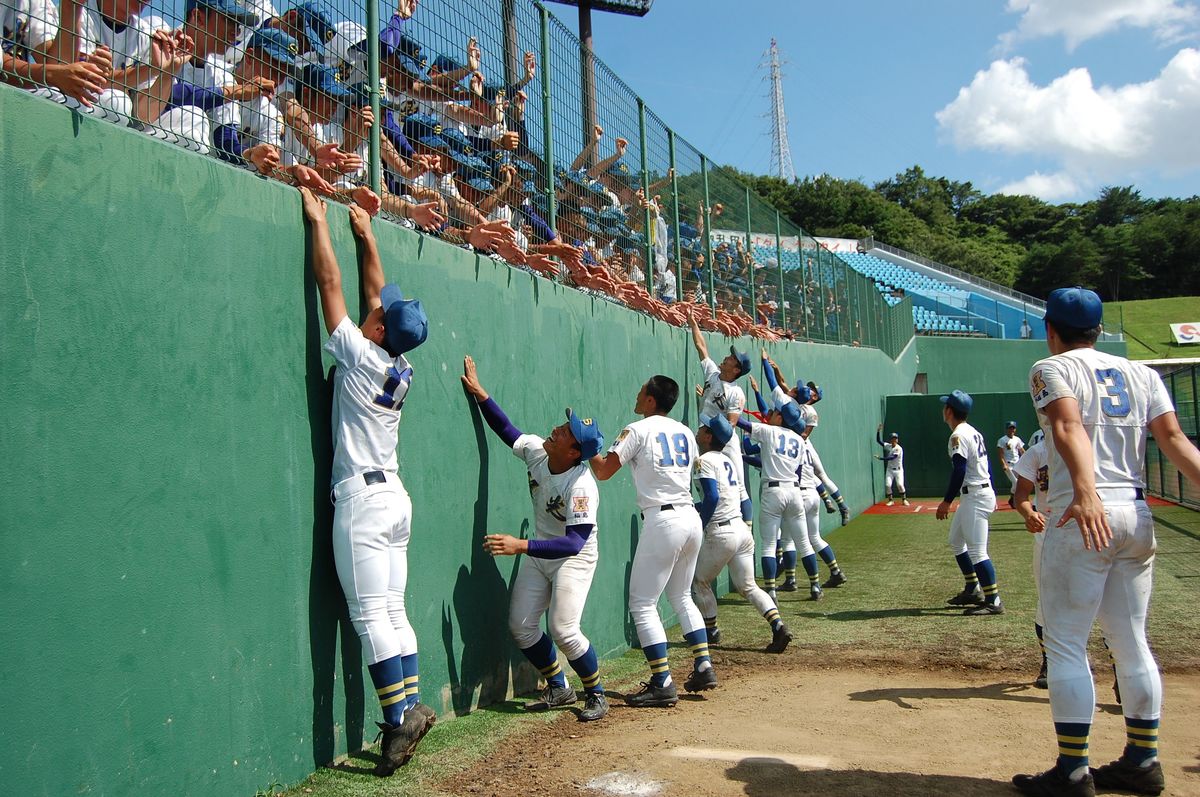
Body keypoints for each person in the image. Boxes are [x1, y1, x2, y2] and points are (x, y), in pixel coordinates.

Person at [1013, 287, 1200, 797]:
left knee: (1065, 643)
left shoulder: (1050, 367)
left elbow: (1067, 424)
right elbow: (1175, 440)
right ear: (1097, 330)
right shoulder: (1142, 373)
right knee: (1132, 641)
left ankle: (1073, 772)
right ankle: (1142, 761)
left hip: (1083, 512)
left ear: (1051, 330)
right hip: (1135, 513)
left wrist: (1087, 491)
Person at [298, 187, 435, 776]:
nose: (375, 307)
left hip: (362, 498)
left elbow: (330, 285)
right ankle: (411, 704)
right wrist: (368, 235)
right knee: (394, 610)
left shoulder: (360, 354)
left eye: (379, 313)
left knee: (369, 617)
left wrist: (318, 221)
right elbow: (377, 299)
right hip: (394, 498)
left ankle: (397, 720)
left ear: (378, 330)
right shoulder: (400, 363)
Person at [459, 356, 610, 722]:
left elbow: (574, 543)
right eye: (564, 424)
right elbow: (507, 429)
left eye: (566, 431)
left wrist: (520, 546)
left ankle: (596, 693)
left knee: (563, 629)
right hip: (540, 549)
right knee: (522, 626)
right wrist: (481, 394)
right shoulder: (539, 452)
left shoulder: (581, 486)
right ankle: (559, 685)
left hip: (573, 559)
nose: (557, 428)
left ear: (574, 453)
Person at [590, 376, 716, 707]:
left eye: (642, 390)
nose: (637, 393)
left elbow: (602, 471)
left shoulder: (637, 429)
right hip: (690, 517)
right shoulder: (686, 432)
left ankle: (662, 682)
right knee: (681, 596)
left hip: (663, 520)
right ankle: (704, 664)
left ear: (650, 400)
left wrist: (588, 448)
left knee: (643, 604)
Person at [690, 412, 792, 654]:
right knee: (749, 586)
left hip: (722, 531)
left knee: (700, 581)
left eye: (703, 428)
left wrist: (699, 524)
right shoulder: (726, 460)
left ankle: (711, 631)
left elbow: (712, 497)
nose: (699, 430)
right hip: (741, 530)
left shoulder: (704, 461)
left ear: (709, 436)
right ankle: (778, 626)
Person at [936, 389, 1003, 616]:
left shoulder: (958, 435)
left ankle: (993, 600)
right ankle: (973, 588)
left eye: (945, 406)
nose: (943, 410)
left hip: (975, 495)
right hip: (975, 493)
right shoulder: (972, 431)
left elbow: (959, 469)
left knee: (977, 552)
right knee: (956, 541)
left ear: (949, 411)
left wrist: (946, 501)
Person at [688, 311, 751, 523]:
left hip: (725, 441)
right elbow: (701, 348)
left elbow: (731, 424)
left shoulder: (736, 392)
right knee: (706, 485)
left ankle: (747, 527)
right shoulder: (713, 375)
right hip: (705, 437)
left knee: (739, 487)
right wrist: (693, 323)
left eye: (732, 358)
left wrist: (713, 442)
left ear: (736, 369)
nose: (727, 357)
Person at [1011, 429, 1050, 689]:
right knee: (1047, 601)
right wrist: (1028, 514)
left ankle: (1119, 668)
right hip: (1049, 533)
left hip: (1088, 532)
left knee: (1104, 605)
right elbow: (1021, 496)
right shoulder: (1038, 450)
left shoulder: (1091, 445)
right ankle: (1049, 661)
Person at [875, 423, 907, 506]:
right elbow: (879, 441)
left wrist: (881, 458)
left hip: (898, 470)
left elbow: (892, 457)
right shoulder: (888, 446)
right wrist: (878, 431)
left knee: (900, 485)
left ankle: (904, 500)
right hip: (890, 470)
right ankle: (891, 500)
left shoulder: (898, 448)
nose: (895, 440)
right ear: (891, 440)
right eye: (893, 438)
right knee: (888, 485)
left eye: (896, 438)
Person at [996, 420, 1025, 501]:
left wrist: (1028, 459)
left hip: (1018, 464)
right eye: (1010, 428)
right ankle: (1012, 498)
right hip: (1008, 465)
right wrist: (1004, 464)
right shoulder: (1002, 440)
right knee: (1015, 482)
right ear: (1006, 429)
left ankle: (1013, 498)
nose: (1012, 430)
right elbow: (1000, 454)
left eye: (1013, 428)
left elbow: (1022, 451)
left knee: (1018, 483)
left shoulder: (1017, 439)